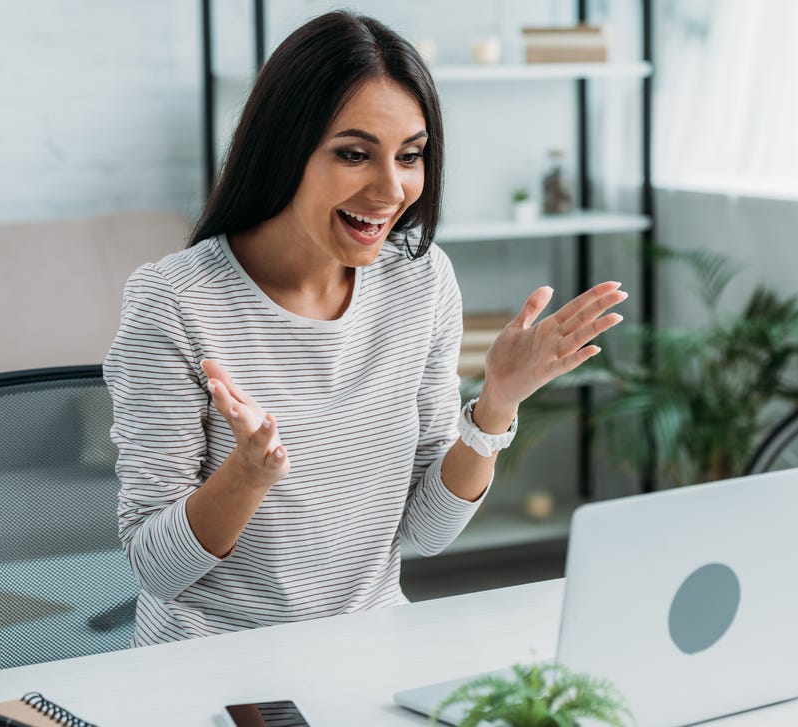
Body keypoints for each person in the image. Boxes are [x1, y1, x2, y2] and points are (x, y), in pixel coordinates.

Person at [103, 10, 626, 646]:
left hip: (370, 651)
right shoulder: (175, 302)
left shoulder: (422, 282)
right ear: (284, 148)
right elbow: (155, 569)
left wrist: (495, 407)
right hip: (214, 663)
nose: (391, 189)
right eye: (354, 155)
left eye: (411, 156)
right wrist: (246, 477)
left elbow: (427, 533)